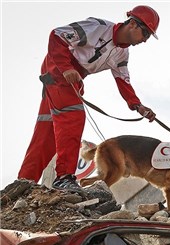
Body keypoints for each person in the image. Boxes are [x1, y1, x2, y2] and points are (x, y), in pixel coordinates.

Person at [17, 5, 159, 190]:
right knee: (73, 116)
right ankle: (64, 177)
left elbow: (123, 82)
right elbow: (57, 35)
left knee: (47, 134)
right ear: (132, 24)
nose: (145, 40)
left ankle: (23, 183)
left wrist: (137, 106)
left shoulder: (122, 54)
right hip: (58, 67)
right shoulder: (97, 27)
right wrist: (66, 67)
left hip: (73, 78)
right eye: (146, 33)